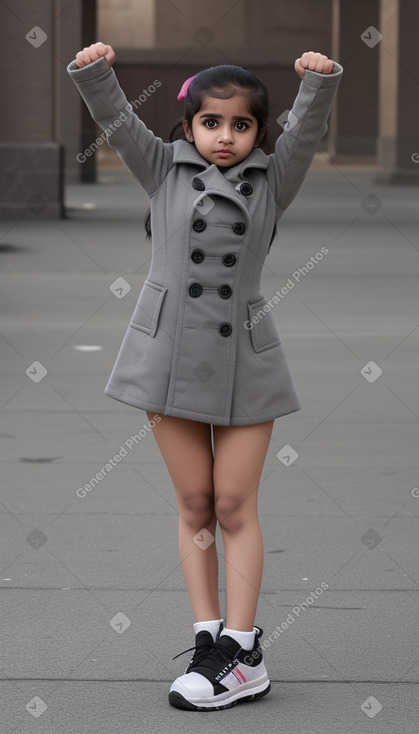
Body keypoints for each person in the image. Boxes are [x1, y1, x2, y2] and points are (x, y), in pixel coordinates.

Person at [67, 44, 343, 711]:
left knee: (230, 504)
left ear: (258, 132)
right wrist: (96, 70)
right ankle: (207, 638)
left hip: (244, 360)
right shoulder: (161, 168)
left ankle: (243, 650)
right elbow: (115, 116)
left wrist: (318, 82)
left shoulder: (273, 180)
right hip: (165, 356)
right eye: (212, 122)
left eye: (241, 124)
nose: (226, 136)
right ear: (188, 127)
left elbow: (305, 132)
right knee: (193, 504)